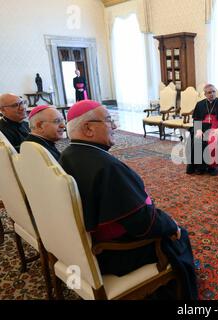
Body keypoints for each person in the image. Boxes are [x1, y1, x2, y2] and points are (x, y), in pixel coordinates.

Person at [59, 100, 198, 299]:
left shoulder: (68, 154)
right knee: (179, 236)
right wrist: (171, 225)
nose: (115, 126)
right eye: (109, 121)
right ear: (88, 128)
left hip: (86, 246)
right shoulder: (107, 167)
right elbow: (142, 223)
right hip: (115, 254)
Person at [186, 84, 218, 175]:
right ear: (205, 94)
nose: (212, 94)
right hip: (202, 127)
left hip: (216, 127)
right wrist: (198, 129)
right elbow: (196, 119)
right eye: (209, 92)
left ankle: (212, 167)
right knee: (197, 139)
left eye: (214, 92)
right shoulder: (200, 104)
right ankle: (200, 166)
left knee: (212, 140)